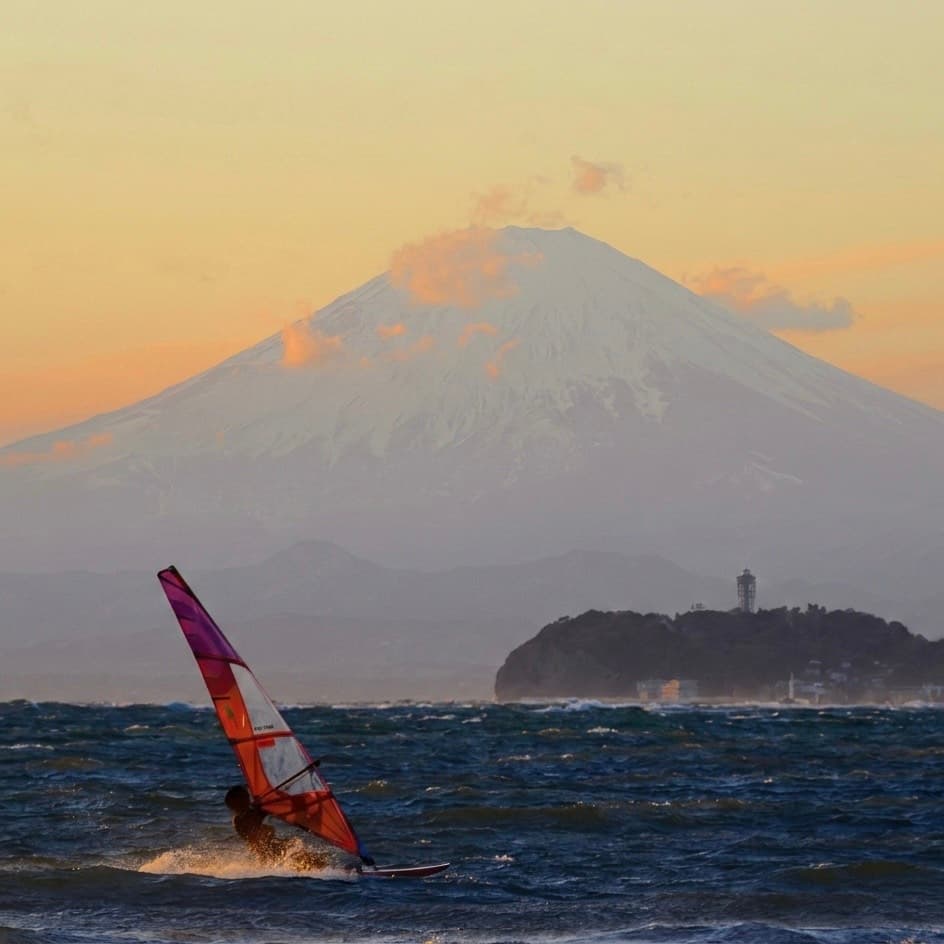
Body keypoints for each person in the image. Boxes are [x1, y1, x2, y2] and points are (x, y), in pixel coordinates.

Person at [224, 784, 328, 871]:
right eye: (246, 796)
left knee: (311, 858)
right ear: (239, 801)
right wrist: (263, 806)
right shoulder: (240, 819)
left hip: (272, 849)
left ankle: (324, 871)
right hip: (269, 851)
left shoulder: (247, 814)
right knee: (310, 859)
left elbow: (263, 812)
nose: (248, 798)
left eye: (247, 795)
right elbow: (258, 818)